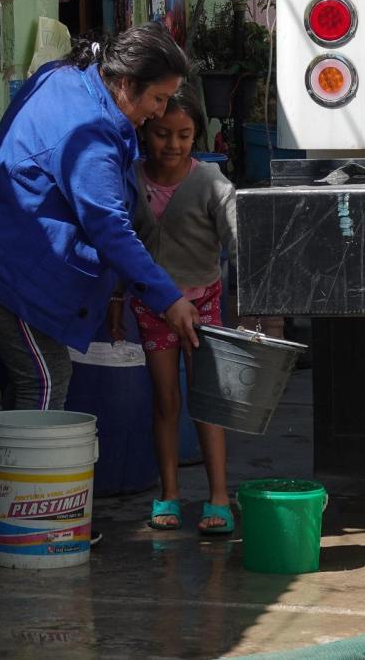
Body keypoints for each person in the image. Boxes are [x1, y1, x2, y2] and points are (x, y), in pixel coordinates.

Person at [0, 24, 203, 543]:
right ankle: (24, 522)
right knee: (44, 379)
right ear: (125, 83)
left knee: (39, 377)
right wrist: (168, 297)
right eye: (157, 97)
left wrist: (116, 289)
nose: (160, 110)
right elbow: (109, 227)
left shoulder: (65, 77)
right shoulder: (90, 138)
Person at [109, 86, 236, 535]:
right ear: (146, 132)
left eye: (184, 135)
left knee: (207, 402)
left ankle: (219, 496)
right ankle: (170, 493)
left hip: (203, 304)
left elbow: (237, 239)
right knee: (165, 401)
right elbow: (121, 242)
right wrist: (118, 298)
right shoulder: (130, 178)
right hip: (153, 306)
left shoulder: (212, 184)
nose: (173, 144)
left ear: (196, 136)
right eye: (163, 133)